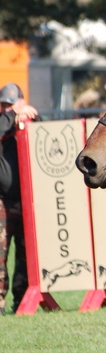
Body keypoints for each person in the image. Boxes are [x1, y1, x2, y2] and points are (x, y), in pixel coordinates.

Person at [0, 83, 37, 314]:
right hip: (2, 201)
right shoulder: (3, 121)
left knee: (26, 255)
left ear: (22, 102)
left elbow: (47, 134)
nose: (6, 109)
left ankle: (22, 301)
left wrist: (31, 116)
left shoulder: (30, 120)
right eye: (3, 105)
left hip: (27, 201)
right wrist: (13, 114)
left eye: (10, 105)